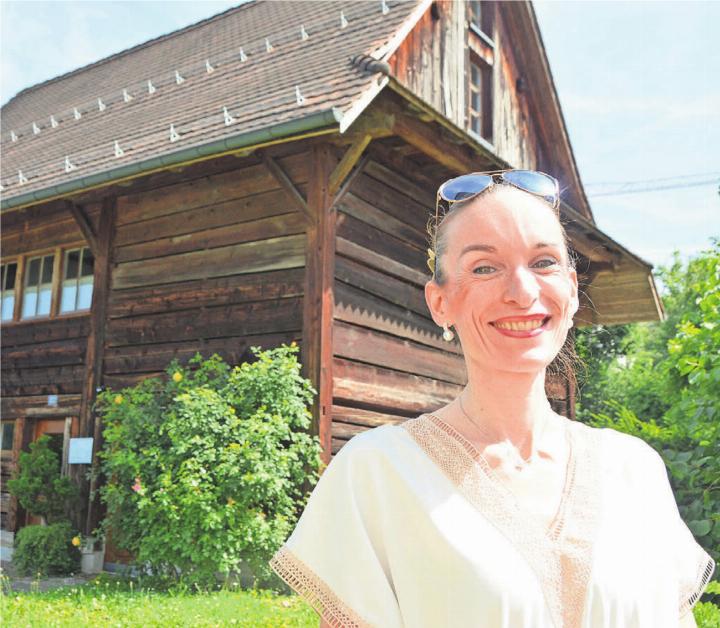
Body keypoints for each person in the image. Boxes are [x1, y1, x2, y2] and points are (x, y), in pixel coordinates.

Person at [269, 170, 715, 627]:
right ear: (440, 303)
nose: (522, 292)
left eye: (544, 263)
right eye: (485, 267)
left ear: (573, 291)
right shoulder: (379, 472)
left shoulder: (634, 469)